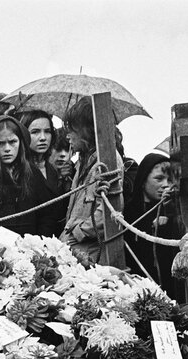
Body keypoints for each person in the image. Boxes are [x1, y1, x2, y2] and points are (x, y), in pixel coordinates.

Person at [59, 97, 124, 265]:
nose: (68, 136)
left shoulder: (108, 161)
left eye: (72, 130)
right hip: (75, 247)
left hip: (92, 252)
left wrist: (79, 232)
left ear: (86, 131)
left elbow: (109, 211)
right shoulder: (82, 161)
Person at [123, 153, 182, 298]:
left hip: (170, 288)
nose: (166, 185)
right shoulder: (129, 211)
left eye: (170, 180)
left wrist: (169, 214)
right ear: (143, 181)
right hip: (140, 288)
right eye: (159, 179)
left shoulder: (175, 209)